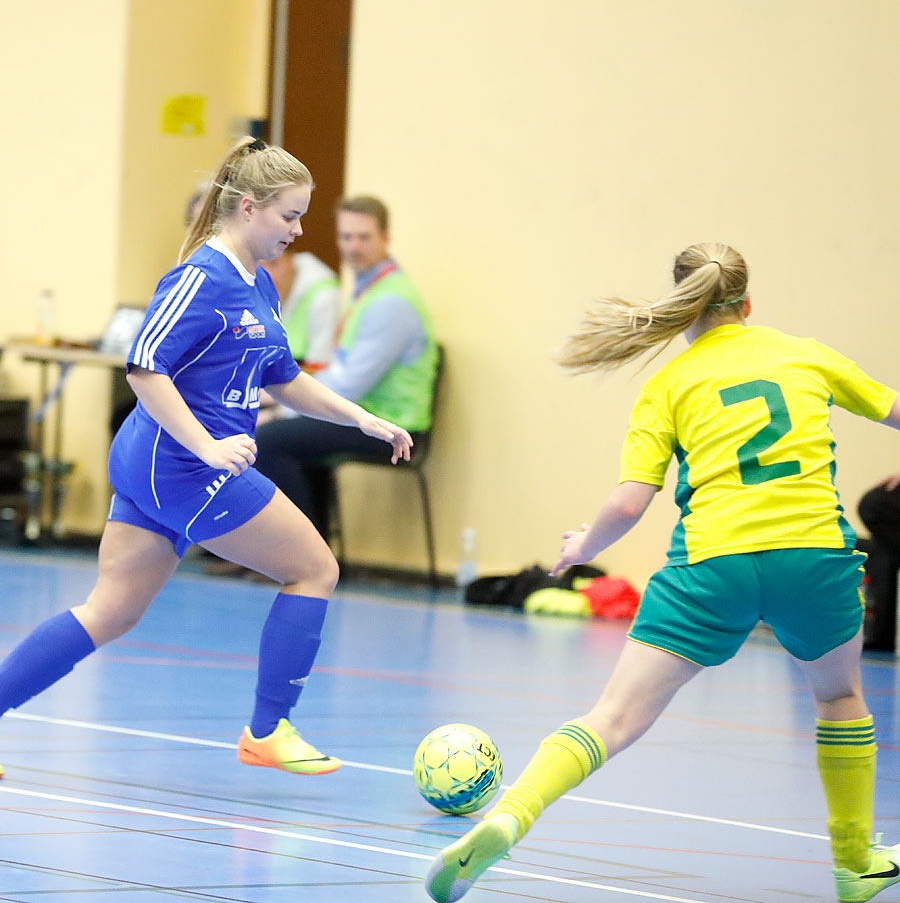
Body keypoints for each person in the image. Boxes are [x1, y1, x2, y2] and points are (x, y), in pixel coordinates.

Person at [424, 243, 900, 903]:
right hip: (813, 556)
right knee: (839, 698)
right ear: (749, 303)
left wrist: (580, 545)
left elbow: (628, 502)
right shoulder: (806, 354)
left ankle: (510, 816)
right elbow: (893, 409)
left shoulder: (667, 386)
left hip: (713, 564)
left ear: (683, 312)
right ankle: (854, 863)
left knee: (613, 717)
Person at [0, 137, 413, 779]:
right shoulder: (198, 277)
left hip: (163, 469)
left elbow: (284, 377)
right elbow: (142, 369)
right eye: (289, 216)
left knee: (111, 611)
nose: (299, 232)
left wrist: (360, 419)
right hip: (185, 469)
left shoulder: (260, 285)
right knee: (314, 569)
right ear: (248, 208)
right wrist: (208, 445)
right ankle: (268, 730)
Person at [253, 194, 437, 537]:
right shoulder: (369, 290)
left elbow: (349, 386)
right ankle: (296, 545)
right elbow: (340, 377)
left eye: (364, 237)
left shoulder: (391, 301)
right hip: (365, 415)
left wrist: (280, 407)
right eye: (346, 237)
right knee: (279, 432)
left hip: (391, 428)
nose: (353, 247)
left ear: (386, 239)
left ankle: (301, 549)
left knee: (269, 440)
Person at [260, 247, 338, 369]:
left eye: (273, 264)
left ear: (291, 260)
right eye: (259, 266)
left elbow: (320, 370)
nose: (267, 275)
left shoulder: (323, 297)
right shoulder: (250, 289)